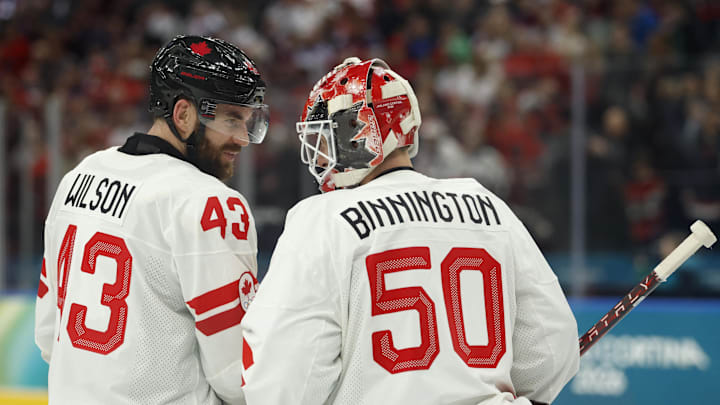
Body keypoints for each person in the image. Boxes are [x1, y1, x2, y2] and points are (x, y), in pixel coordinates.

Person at [240, 57, 579, 405]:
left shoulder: (323, 220)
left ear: (360, 135)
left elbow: (283, 385)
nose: (319, 156)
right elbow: (552, 346)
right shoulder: (488, 205)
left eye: (325, 138)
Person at [34, 35, 268, 404]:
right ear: (184, 114)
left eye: (248, 122)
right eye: (231, 119)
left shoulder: (79, 177)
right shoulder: (210, 201)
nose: (243, 138)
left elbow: (48, 335)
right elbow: (236, 374)